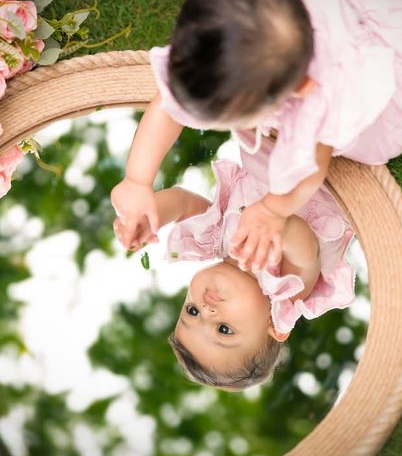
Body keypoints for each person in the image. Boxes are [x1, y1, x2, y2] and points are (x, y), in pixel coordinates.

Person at [111, 0, 402, 271]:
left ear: (299, 88)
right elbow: (168, 106)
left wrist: (272, 210)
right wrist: (137, 180)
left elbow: (311, 167)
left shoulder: (321, 95)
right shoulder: (236, 19)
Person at [114, 146, 355, 391]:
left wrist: (151, 215)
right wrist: (272, 217)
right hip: (336, 162)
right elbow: (305, 247)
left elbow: (183, 203)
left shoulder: (217, 239)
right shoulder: (285, 292)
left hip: (273, 140)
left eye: (192, 311)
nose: (207, 310)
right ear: (274, 328)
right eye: (224, 329)